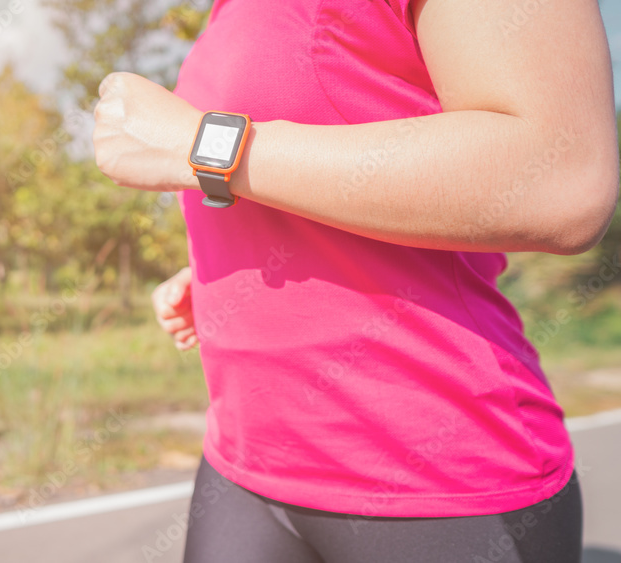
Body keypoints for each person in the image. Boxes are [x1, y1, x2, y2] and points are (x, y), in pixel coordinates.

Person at [91, 0, 619, 561]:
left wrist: (204, 144)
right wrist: (235, 262)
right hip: (241, 462)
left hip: (435, 478)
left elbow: (564, 179)